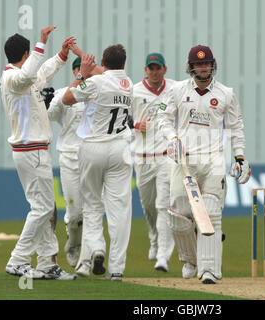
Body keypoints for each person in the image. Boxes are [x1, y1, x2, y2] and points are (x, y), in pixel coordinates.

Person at [157, 45, 251, 284]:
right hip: (183, 160)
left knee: (210, 214)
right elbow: (163, 119)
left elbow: (236, 127)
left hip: (213, 159)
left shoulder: (226, 93)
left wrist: (239, 156)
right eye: (198, 64)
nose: (203, 67)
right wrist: (172, 139)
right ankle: (191, 258)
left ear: (212, 65)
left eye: (206, 63)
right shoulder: (176, 90)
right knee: (178, 216)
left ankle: (209, 270)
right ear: (190, 67)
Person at [0, 26, 77, 280]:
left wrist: (61, 55)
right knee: (42, 208)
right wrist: (41, 44)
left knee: (45, 208)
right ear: (25, 53)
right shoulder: (13, 77)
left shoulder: (27, 77)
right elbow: (29, 73)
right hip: (29, 150)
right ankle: (18, 259)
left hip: (34, 150)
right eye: (31, 52)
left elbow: (41, 72)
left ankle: (46, 263)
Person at [62, 44, 133, 281]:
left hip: (92, 148)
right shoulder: (128, 84)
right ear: (123, 64)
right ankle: (116, 269)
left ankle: (97, 248)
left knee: (92, 206)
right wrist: (83, 54)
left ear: (103, 61)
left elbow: (67, 98)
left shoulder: (94, 82)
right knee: (119, 210)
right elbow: (107, 74)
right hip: (119, 149)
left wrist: (81, 73)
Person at [132, 53, 175, 272]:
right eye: (151, 68)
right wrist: (136, 125)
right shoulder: (135, 91)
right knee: (148, 205)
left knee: (163, 205)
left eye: (158, 68)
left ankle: (162, 257)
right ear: (145, 70)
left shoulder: (175, 89)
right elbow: (121, 118)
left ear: (164, 69)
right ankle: (154, 240)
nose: (155, 71)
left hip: (166, 156)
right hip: (142, 157)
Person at [47, 56, 88, 271]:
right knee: (74, 213)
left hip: (92, 158)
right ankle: (73, 244)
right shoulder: (63, 93)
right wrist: (50, 100)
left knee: (91, 212)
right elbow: (50, 115)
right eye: (79, 70)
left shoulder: (97, 93)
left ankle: (88, 258)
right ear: (74, 72)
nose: (82, 74)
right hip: (69, 157)